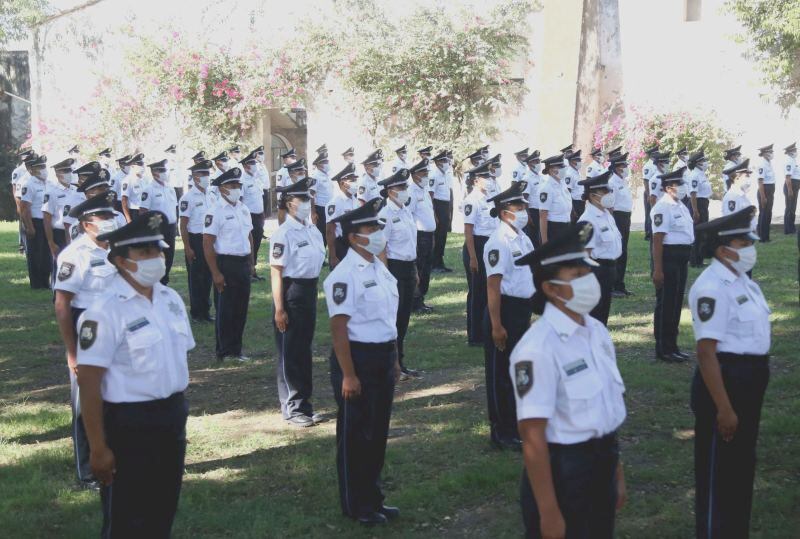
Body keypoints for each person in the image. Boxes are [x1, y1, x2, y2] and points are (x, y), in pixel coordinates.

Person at [76, 210, 193, 538]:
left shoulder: (170, 300)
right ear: (120, 260)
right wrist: (98, 447)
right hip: (129, 425)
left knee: (162, 509)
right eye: (144, 253)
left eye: (157, 250)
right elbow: (88, 383)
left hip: (170, 416)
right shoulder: (103, 312)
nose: (156, 258)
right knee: (127, 517)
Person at [511, 222, 627, 539]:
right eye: (576, 276)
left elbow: (604, 411)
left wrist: (615, 472)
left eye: (587, 273)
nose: (588, 281)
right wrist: (549, 513)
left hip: (602, 461)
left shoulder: (596, 332)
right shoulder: (537, 349)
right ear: (550, 288)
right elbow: (533, 436)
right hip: (564, 473)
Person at [689, 206, 770, 539]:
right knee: (719, 472)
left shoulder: (741, 280)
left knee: (740, 467)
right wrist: (723, 407)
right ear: (723, 250)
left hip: (749, 379)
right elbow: (707, 352)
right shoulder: (712, 287)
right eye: (743, 243)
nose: (750, 248)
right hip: (725, 381)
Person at [323, 200, 401, 526]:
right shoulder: (343, 276)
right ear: (354, 237)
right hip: (357, 359)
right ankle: (356, 505)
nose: (378, 233)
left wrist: (394, 359)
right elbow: (339, 329)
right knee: (356, 435)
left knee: (378, 432)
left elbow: (387, 319)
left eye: (378, 228)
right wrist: (348, 374)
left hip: (382, 356)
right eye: (371, 229)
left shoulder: (378, 268)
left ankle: (374, 498)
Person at [53, 192, 119, 490]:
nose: (110, 221)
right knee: (85, 402)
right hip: (86, 331)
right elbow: (63, 304)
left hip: (115, 329)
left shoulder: (116, 249)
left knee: (115, 396)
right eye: (103, 218)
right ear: (86, 224)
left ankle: (116, 458)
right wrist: (71, 352)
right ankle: (87, 471)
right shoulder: (74, 255)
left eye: (111, 216)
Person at [270, 177, 326, 427]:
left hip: (309, 290)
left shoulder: (310, 227)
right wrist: (280, 308)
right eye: (302, 199)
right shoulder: (284, 233)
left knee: (303, 349)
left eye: (308, 198)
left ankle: (304, 404)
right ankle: (292, 407)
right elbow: (276, 271)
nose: (307, 203)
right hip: (292, 292)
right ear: (290, 203)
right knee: (290, 351)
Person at [483, 182, 535, 450]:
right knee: (500, 373)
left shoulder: (522, 238)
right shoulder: (498, 242)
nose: (524, 210)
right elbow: (493, 286)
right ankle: (500, 431)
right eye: (519, 207)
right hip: (503, 311)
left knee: (517, 370)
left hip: (521, 310)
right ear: (505, 212)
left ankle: (515, 425)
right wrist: (496, 325)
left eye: (524, 206)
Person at [203, 167, 254, 361]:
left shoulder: (242, 208)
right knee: (226, 309)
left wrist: (252, 262)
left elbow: (248, 235)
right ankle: (224, 351)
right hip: (225, 263)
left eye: (238, 185)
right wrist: (215, 273)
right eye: (232, 185)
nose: (236, 188)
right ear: (222, 188)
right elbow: (207, 243)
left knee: (240, 308)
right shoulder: (215, 211)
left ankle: (236, 349)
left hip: (242, 262)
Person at [377, 169, 421, 380]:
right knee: (393, 319)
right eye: (401, 187)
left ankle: (399, 363)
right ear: (390, 191)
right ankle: (390, 365)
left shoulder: (405, 210)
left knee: (403, 318)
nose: (405, 190)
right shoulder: (385, 214)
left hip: (409, 267)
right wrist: (385, 276)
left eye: (405, 186)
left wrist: (415, 270)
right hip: (393, 268)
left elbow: (411, 242)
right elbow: (381, 248)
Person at [651, 167, 694, 362]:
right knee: (666, 303)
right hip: (668, 257)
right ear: (669, 188)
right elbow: (658, 239)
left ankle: (673, 345)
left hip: (681, 258)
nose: (683, 187)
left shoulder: (680, 205)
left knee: (676, 303)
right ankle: (663, 348)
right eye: (679, 184)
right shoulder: (662, 207)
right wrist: (658, 269)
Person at [578, 171, 623, 325]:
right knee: (594, 316)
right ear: (592, 196)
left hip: (609, 269)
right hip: (596, 272)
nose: (608, 194)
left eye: (608, 190)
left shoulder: (606, 215)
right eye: (604, 191)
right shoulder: (586, 220)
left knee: (603, 314)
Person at [462, 162, 499, 346]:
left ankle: (487, 330)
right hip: (476, 245)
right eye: (486, 177)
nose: (489, 180)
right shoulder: (472, 200)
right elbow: (468, 230)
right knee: (477, 293)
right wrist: (473, 257)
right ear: (476, 180)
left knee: (488, 291)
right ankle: (475, 336)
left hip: (490, 244)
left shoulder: (490, 198)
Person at [179, 160, 215, 322]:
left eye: (208, 173)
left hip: (209, 240)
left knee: (208, 275)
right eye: (203, 174)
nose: (206, 177)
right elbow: (183, 224)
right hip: (195, 240)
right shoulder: (188, 198)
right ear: (194, 177)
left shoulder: (211, 194)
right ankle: (196, 313)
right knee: (196, 277)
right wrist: (187, 247)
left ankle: (205, 311)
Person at [139, 159, 178, 284]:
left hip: (171, 228)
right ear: (154, 172)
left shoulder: (170, 188)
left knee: (169, 257)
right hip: (157, 228)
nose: (164, 173)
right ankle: (157, 282)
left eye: (164, 170)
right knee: (158, 258)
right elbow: (143, 211)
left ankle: (164, 281)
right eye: (161, 170)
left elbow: (174, 208)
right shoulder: (148, 189)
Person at [18, 153, 52, 289]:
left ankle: (45, 281)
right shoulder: (29, 184)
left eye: (44, 166)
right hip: (35, 222)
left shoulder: (49, 183)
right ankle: (37, 284)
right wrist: (29, 227)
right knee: (35, 254)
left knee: (46, 254)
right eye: (40, 167)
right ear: (32, 169)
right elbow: (24, 208)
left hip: (47, 222)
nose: (43, 169)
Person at [408, 158, 437, 314]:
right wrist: (414, 240)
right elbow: (410, 217)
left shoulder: (424, 191)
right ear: (414, 175)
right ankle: (415, 302)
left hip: (428, 235)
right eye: (423, 172)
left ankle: (421, 300)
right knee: (418, 270)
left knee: (426, 270)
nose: (426, 175)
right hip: (418, 236)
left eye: (427, 172)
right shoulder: (411, 193)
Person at [42, 158, 76, 286]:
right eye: (65, 171)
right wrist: (51, 242)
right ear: (57, 173)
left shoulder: (76, 191)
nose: (69, 174)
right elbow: (46, 218)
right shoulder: (51, 192)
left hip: (75, 233)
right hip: (59, 234)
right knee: (60, 264)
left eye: (69, 170)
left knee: (74, 263)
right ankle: (57, 293)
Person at [608, 153, 634, 298]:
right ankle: (613, 286)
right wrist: (612, 223)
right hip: (617, 218)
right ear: (617, 168)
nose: (626, 168)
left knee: (623, 252)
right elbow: (610, 205)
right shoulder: (612, 182)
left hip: (625, 217)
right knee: (617, 251)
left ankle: (620, 284)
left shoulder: (622, 181)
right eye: (623, 166)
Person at [239, 149, 267, 281]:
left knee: (256, 244)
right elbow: (239, 201)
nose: (254, 166)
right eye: (251, 163)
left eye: (254, 163)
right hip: (249, 216)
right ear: (245, 166)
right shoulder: (242, 181)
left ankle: (253, 270)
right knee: (249, 244)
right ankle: (248, 271)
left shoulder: (256, 178)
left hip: (259, 216)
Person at [326, 163, 359, 268]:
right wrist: (332, 255)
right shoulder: (335, 203)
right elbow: (330, 231)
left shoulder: (355, 201)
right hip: (341, 245)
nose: (355, 183)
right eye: (352, 180)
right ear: (342, 183)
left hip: (355, 244)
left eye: (355, 180)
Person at [538, 155, 572, 244]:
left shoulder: (562, 183)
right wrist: (545, 241)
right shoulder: (546, 188)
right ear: (551, 170)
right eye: (560, 167)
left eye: (563, 166)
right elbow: (543, 216)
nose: (563, 169)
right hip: (554, 229)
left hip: (566, 226)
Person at [431, 150, 454, 272]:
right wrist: (434, 215)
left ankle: (440, 263)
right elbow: (431, 196)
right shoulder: (434, 175)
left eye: (446, 160)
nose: (446, 163)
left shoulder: (445, 175)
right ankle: (434, 264)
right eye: (443, 160)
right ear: (437, 162)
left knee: (443, 236)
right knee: (437, 236)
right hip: (437, 206)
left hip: (445, 206)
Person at [689, 151, 712, 267]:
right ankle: (695, 260)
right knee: (697, 233)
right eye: (703, 161)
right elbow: (693, 194)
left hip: (703, 203)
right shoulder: (694, 175)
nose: (705, 162)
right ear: (697, 163)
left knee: (703, 232)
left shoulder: (701, 174)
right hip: (698, 204)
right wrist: (695, 210)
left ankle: (700, 258)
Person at [519, 151, 543, 247]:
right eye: (535, 161)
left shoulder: (540, 176)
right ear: (529, 164)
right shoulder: (527, 178)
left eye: (538, 161)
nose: (538, 164)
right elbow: (524, 198)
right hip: (533, 212)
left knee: (540, 236)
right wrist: (528, 215)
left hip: (541, 210)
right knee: (534, 238)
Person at [310, 151, 332, 247]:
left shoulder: (327, 175)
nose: (327, 164)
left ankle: (323, 257)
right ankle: (320, 259)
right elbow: (311, 195)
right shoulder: (316, 176)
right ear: (319, 164)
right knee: (321, 234)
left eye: (327, 161)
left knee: (328, 233)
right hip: (320, 208)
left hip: (328, 208)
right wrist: (313, 212)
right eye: (325, 162)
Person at [755, 144, 776, 242]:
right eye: (770, 152)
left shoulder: (768, 163)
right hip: (764, 191)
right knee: (764, 214)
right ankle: (763, 238)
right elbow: (760, 182)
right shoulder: (762, 164)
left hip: (769, 190)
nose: (772, 153)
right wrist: (763, 197)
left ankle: (764, 236)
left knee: (767, 214)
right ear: (764, 153)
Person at [279, 158, 308, 223]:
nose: (303, 175)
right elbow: (281, 215)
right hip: (292, 227)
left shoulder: (306, 189)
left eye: (304, 173)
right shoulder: (287, 192)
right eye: (300, 173)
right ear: (291, 175)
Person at [121, 153, 147, 223]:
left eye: (142, 164)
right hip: (135, 212)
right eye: (139, 164)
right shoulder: (127, 180)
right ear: (132, 166)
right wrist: (128, 219)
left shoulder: (145, 179)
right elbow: (124, 201)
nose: (142, 167)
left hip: (146, 211)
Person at [642, 144, 660, 240]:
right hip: (649, 192)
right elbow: (646, 180)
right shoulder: (648, 166)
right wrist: (648, 194)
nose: (658, 154)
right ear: (652, 155)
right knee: (649, 212)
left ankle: (653, 230)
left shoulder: (655, 164)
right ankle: (648, 233)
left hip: (656, 192)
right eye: (657, 153)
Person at [563, 150, 585, 222]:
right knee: (575, 224)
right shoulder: (569, 174)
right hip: (575, 203)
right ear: (571, 161)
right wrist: (572, 209)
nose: (579, 162)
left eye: (579, 160)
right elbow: (568, 192)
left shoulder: (576, 172)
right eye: (577, 160)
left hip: (581, 202)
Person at [782, 142, 799, 235]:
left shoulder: (793, 160)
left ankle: (791, 228)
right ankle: (788, 230)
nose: (796, 151)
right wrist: (790, 190)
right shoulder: (789, 161)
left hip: (794, 185)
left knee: (792, 208)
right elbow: (788, 177)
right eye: (794, 150)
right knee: (789, 208)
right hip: (791, 186)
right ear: (790, 152)